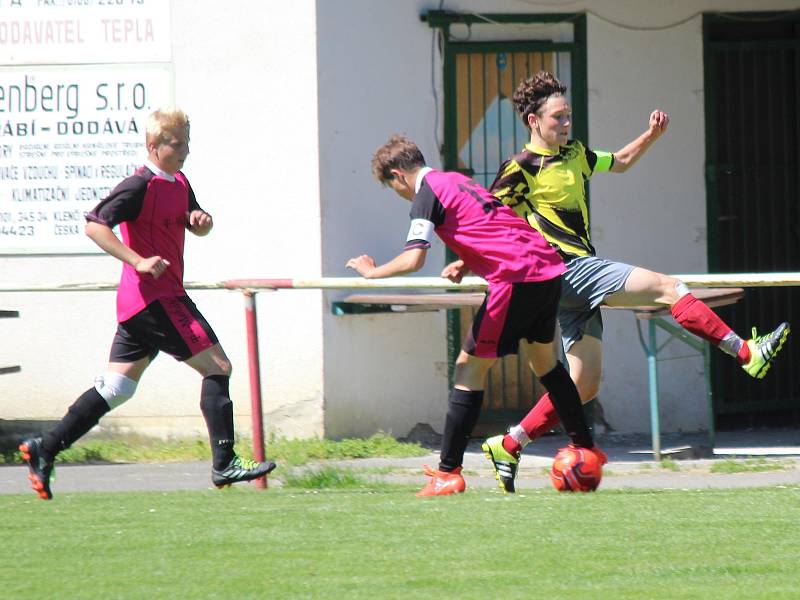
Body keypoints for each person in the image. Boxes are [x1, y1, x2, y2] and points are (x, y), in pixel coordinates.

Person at [470, 72, 790, 493]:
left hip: (571, 283)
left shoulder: (577, 154)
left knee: (583, 386)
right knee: (670, 287)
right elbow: (484, 219)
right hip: (567, 271)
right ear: (533, 121)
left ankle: (509, 443)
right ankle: (746, 351)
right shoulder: (520, 168)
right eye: (558, 118)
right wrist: (470, 263)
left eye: (568, 116)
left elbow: (618, 161)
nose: (566, 124)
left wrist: (652, 135)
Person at [19, 107, 275, 500]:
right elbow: (94, 225)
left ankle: (45, 448)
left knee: (118, 388)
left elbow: (191, 219)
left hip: (145, 304)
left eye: (187, 142)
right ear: (154, 146)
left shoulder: (179, 180)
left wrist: (200, 222)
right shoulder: (138, 186)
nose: (185, 150)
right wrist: (137, 260)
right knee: (219, 366)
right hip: (155, 299)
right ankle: (224, 464)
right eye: (177, 144)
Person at [346, 134, 605, 497]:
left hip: (515, 278)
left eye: (393, 187)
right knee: (545, 362)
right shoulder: (457, 180)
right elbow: (497, 224)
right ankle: (586, 449)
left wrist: (372, 272)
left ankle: (447, 472)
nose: (399, 194)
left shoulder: (425, 195)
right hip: (547, 268)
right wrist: (469, 262)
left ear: (397, 175)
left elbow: (414, 258)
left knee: (469, 368)